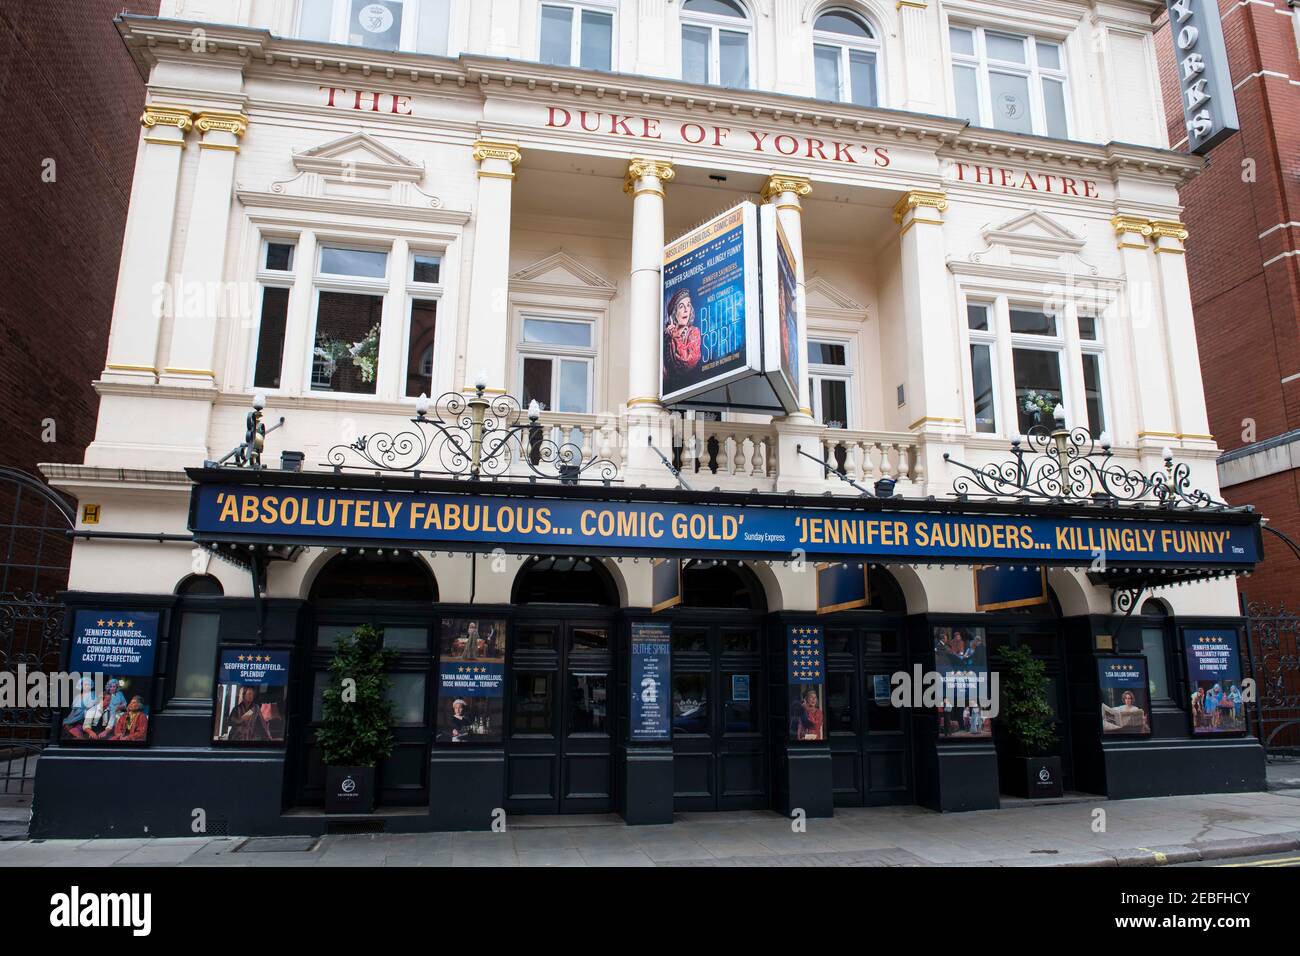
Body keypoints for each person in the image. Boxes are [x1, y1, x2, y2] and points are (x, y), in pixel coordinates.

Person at [663, 288, 702, 392]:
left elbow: (688, 362)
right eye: (681, 306)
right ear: (674, 313)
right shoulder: (666, 338)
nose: (686, 310)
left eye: (688, 305)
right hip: (670, 395)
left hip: (692, 392)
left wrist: (675, 335)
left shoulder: (694, 332)